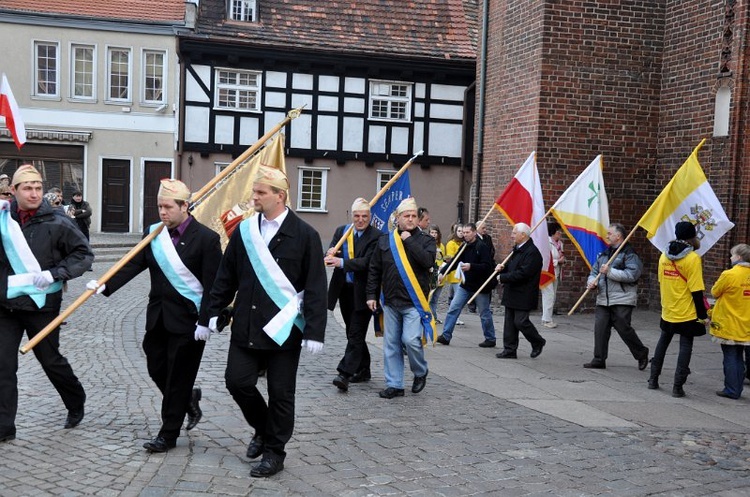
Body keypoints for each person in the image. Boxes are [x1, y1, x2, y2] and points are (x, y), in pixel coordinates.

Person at [206, 165, 327, 478]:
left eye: (261, 192)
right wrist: (212, 311)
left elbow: (315, 285)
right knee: (237, 381)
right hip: (246, 323)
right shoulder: (245, 231)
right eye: (255, 191)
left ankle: (274, 452)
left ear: (280, 196)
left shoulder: (305, 235)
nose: (254, 197)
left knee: (281, 394)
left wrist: (314, 330)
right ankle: (262, 427)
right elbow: (226, 275)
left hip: (284, 331)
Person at [87, 179, 221, 452]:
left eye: (168, 207)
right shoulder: (153, 234)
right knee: (156, 367)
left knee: (178, 377)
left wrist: (206, 320)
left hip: (188, 322)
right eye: (160, 206)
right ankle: (187, 400)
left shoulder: (207, 239)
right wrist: (106, 283)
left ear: (185, 206)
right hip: (158, 317)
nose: (162, 212)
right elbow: (135, 263)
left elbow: (214, 285)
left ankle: (167, 435)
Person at [0, 165, 92, 442]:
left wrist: (56, 273)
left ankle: (75, 399)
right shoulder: (4, 220)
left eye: (38, 188)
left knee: (50, 360)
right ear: (13, 191)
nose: (34, 193)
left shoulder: (58, 221)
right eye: (27, 188)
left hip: (42, 305)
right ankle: (5, 427)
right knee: (3, 365)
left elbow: (83, 255)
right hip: (6, 306)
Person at [366, 197, 436, 399]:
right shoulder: (385, 240)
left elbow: (427, 262)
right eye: (407, 216)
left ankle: (420, 371)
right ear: (398, 218)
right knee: (391, 344)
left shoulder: (426, 241)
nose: (411, 219)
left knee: (411, 340)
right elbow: (374, 270)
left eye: (414, 216)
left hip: (413, 302)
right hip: (390, 301)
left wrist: (409, 240)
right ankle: (395, 384)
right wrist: (371, 295)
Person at [325, 198, 379, 392]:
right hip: (344, 290)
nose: (361, 220)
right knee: (351, 332)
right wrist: (331, 253)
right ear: (351, 215)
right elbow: (331, 252)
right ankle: (364, 369)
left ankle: (344, 374)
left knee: (356, 332)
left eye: (364, 216)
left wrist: (341, 262)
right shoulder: (342, 231)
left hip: (364, 292)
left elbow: (367, 263)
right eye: (357, 216)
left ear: (370, 217)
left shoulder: (376, 236)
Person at [649, 221, 708, 397]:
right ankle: (677, 386)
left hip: (668, 307)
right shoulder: (693, 258)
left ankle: (653, 379)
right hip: (687, 310)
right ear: (692, 236)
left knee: (663, 342)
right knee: (685, 346)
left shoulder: (664, 256)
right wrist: (702, 315)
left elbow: (661, 281)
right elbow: (697, 289)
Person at [584, 223, 649, 370]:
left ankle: (641, 353)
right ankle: (599, 358)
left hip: (622, 298)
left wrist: (610, 271)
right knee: (600, 329)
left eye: (609, 233)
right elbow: (594, 272)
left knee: (623, 328)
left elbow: (632, 275)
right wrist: (592, 282)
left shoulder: (630, 254)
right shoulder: (604, 254)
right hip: (603, 298)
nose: (606, 236)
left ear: (618, 236)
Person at [436, 223, 496, 347]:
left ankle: (490, 338)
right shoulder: (464, 246)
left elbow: (487, 266)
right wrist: (443, 272)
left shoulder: (482, 246)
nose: (465, 235)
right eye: (463, 232)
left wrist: (471, 266)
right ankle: (446, 336)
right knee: (453, 308)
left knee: (484, 313)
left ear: (474, 232)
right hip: (466, 285)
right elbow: (455, 261)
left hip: (480, 286)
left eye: (467, 232)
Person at [495, 222, 547, 359]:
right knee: (509, 322)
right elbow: (512, 267)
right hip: (512, 290)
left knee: (521, 321)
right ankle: (510, 349)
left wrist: (503, 277)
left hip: (524, 292)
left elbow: (523, 273)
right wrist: (503, 268)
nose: (512, 236)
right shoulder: (517, 249)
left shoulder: (532, 253)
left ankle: (537, 341)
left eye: (514, 233)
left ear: (523, 235)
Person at [710, 243, 750, 399]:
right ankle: (737, 387)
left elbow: (714, 292)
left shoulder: (729, 274)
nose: (731, 257)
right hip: (746, 323)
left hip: (729, 321)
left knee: (730, 356)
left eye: (732, 255)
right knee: (739, 356)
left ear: (739, 257)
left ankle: (732, 389)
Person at [541, 222, 565, 328]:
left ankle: (548, 317)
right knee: (548, 295)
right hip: (546, 272)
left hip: (556, 272)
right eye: (558, 231)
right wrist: (557, 262)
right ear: (553, 232)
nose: (560, 234)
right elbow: (545, 259)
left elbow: (561, 257)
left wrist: (563, 261)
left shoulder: (560, 244)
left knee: (553, 295)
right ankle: (546, 319)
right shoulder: (546, 242)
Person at [441, 223, 464, 324]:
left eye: (462, 232)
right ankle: (454, 317)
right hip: (455, 273)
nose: (461, 233)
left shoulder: (464, 243)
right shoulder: (451, 243)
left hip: (462, 273)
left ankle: (454, 316)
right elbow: (451, 258)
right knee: (457, 297)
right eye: (459, 231)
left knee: (454, 296)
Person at [428, 225, 446, 323]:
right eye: (432, 233)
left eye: (435, 233)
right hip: (431, 273)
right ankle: (431, 317)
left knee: (435, 298)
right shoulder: (427, 244)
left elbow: (442, 259)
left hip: (440, 273)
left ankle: (434, 316)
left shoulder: (441, 246)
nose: (434, 235)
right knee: (430, 297)